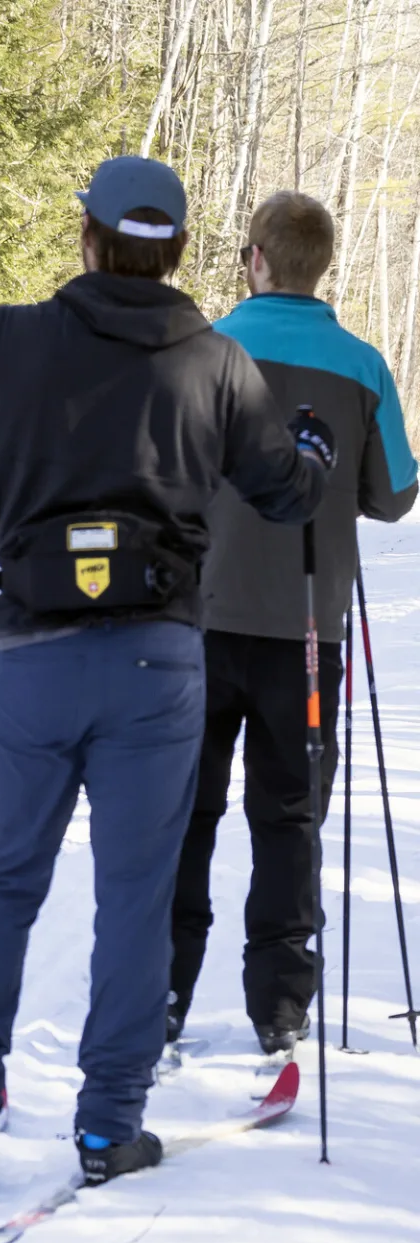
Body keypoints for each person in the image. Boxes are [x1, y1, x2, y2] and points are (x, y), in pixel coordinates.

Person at [0, 156, 329, 1186]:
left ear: (89, 241)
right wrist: (316, 453)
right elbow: (287, 496)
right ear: (182, 252)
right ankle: (109, 1123)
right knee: (136, 895)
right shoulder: (217, 364)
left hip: (32, 653)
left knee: (4, 879)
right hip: (157, 664)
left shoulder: (6, 339)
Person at [168, 192, 418, 1054]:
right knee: (289, 819)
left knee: (183, 811)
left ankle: (161, 993)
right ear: (323, 266)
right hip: (308, 634)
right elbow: (394, 495)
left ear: (256, 259)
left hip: (196, 622)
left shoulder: (203, 350)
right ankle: (279, 1006)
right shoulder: (363, 366)